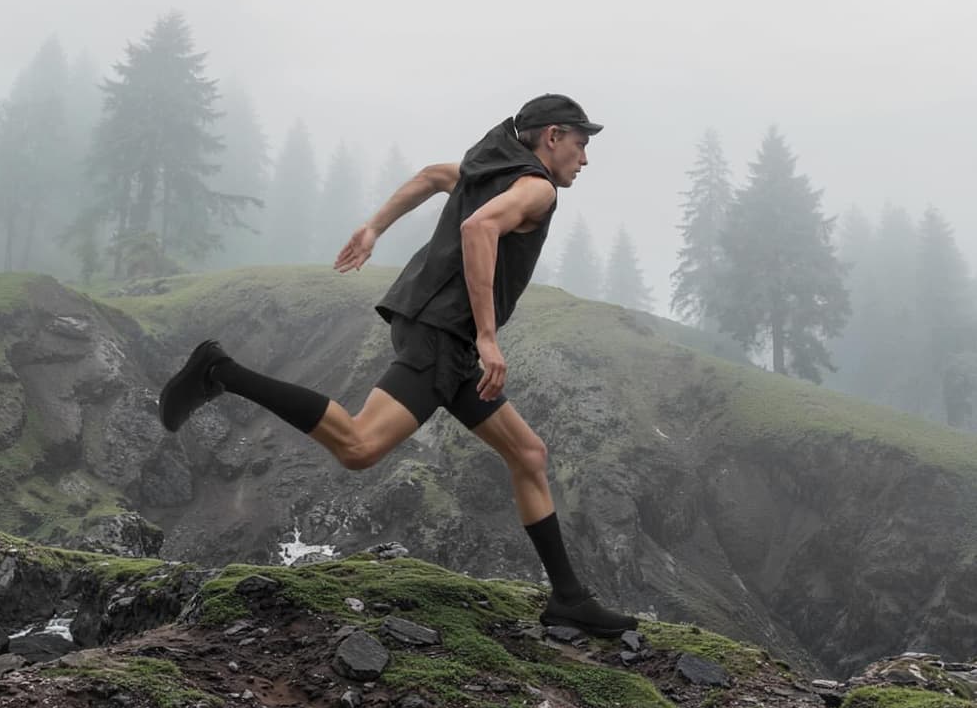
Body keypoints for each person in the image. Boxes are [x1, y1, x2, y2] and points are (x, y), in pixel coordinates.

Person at [158, 93, 637, 636]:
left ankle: (569, 598)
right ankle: (219, 371)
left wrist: (372, 228)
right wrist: (486, 337)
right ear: (552, 136)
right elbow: (478, 229)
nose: (585, 158)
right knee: (360, 446)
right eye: (581, 143)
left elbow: (434, 176)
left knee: (528, 453)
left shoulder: (492, 169)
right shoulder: (537, 189)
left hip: (436, 330)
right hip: (444, 334)